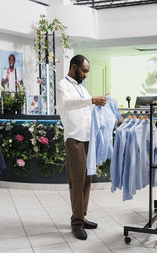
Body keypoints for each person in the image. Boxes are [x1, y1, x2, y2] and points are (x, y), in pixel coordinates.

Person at [56, 55, 107, 241]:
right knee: (77, 181)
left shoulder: (82, 89)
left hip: (87, 139)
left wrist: (102, 104)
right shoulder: (63, 85)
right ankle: (76, 223)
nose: (86, 74)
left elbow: (88, 109)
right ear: (74, 67)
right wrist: (92, 100)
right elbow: (68, 104)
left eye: (87, 72)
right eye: (84, 71)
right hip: (74, 139)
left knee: (87, 179)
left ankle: (82, 216)